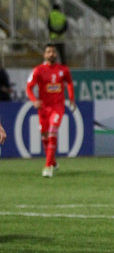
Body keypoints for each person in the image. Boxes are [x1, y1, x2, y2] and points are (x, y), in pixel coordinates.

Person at [25, 44, 75, 178]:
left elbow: (69, 83)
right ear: (44, 55)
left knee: (53, 131)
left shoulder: (63, 70)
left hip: (57, 107)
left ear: (56, 54)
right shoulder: (38, 70)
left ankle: (47, 167)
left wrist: (71, 98)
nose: (51, 54)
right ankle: (52, 162)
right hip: (43, 108)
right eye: (48, 52)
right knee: (45, 136)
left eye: (53, 51)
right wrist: (34, 100)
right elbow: (28, 88)